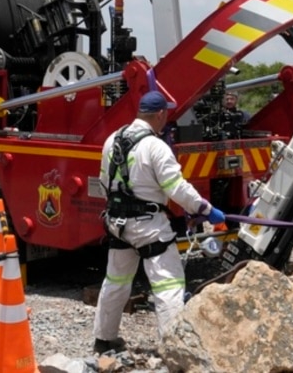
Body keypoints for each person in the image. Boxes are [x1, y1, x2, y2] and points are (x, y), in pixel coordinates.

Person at [92, 90, 226, 354]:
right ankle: (173, 347)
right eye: (167, 114)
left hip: (118, 224)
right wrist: (205, 209)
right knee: (168, 284)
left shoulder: (112, 140)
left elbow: (104, 182)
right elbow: (176, 188)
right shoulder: (156, 146)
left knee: (116, 281)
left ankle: (104, 339)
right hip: (149, 226)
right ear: (160, 114)